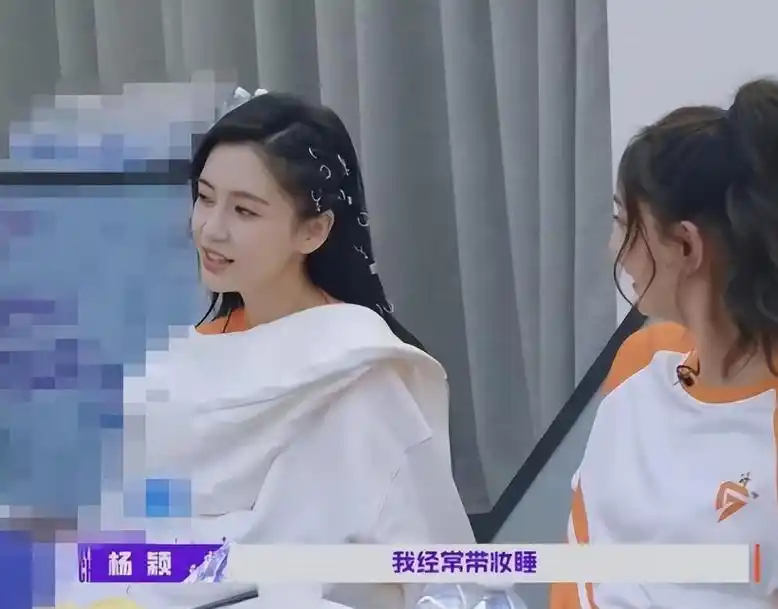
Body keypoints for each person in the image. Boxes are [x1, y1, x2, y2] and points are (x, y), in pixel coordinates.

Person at [70, 88, 473, 609]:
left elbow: (416, 564)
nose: (211, 229)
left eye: (244, 210)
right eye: (205, 198)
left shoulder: (357, 372)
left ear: (314, 230)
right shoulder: (182, 355)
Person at [550, 79, 778, 609]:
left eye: (624, 222)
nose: (613, 247)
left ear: (685, 245)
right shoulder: (640, 361)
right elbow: (582, 561)